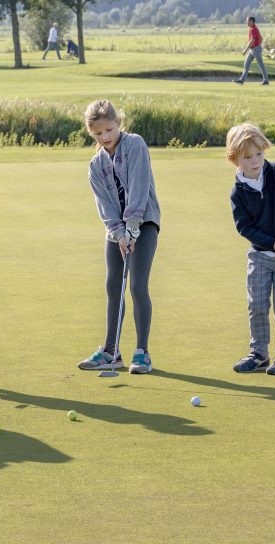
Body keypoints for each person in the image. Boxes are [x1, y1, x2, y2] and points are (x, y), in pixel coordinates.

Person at [77, 100, 161, 375]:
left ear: (118, 123)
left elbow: (139, 186)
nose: (105, 137)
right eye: (98, 134)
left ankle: (142, 353)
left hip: (145, 223)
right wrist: (118, 232)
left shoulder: (135, 145)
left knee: (137, 286)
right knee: (114, 286)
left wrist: (133, 228)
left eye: (109, 130)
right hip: (116, 231)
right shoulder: (95, 165)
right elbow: (105, 205)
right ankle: (110, 350)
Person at [226, 123, 275, 375]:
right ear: (235, 159)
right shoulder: (238, 192)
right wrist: (271, 243)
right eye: (247, 157)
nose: (255, 161)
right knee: (257, 304)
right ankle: (259, 354)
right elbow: (245, 227)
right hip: (260, 255)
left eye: (258, 154)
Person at [235, 16, 269, 85]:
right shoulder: (252, 28)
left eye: (247, 21)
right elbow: (261, 38)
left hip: (255, 49)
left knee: (260, 65)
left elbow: (252, 41)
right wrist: (259, 45)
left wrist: (245, 50)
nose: (246, 22)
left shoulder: (253, 29)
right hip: (253, 49)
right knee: (246, 64)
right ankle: (242, 80)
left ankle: (266, 81)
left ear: (251, 22)